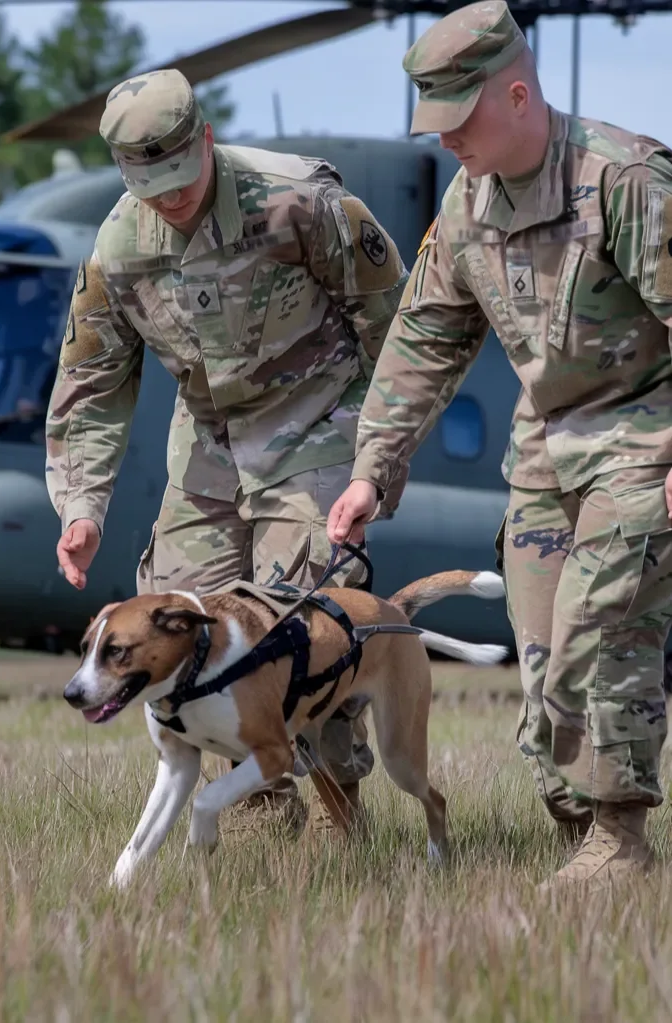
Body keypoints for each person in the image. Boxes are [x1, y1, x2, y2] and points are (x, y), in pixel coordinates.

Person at [327, 0, 672, 887]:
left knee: (601, 635)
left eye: (458, 119)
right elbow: (424, 340)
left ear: (517, 95)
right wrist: (373, 470)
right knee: (546, 671)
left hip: (643, 439)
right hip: (546, 453)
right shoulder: (468, 203)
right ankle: (579, 824)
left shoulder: (625, 180)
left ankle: (619, 840)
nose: (444, 141)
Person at [46, 68, 409, 832]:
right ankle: (267, 810)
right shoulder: (117, 248)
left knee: (305, 637)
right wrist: (82, 506)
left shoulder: (302, 204)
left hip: (316, 429)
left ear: (205, 140)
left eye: (182, 174)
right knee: (174, 630)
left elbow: (402, 330)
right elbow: (92, 380)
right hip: (209, 451)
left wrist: (377, 460)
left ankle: (347, 816)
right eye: (153, 184)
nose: (173, 197)